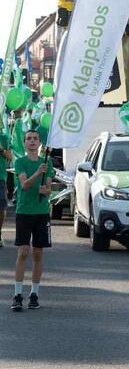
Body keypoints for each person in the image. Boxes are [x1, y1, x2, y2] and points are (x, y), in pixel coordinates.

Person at [10, 131, 53, 312]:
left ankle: (34, 294)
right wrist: (37, 173)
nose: (32, 141)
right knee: (23, 251)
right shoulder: (20, 162)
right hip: (24, 211)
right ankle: (17, 295)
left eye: (35, 139)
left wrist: (46, 190)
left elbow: (49, 189)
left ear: (39, 142)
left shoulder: (47, 162)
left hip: (41, 212)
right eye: (29, 139)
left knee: (38, 253)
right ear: (25, 143)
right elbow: (25, 185)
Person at [0, 127, 11, 248]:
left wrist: (1, 149)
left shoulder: (3, 137)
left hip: (0, 177)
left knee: (1, 207)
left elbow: (10, 157)